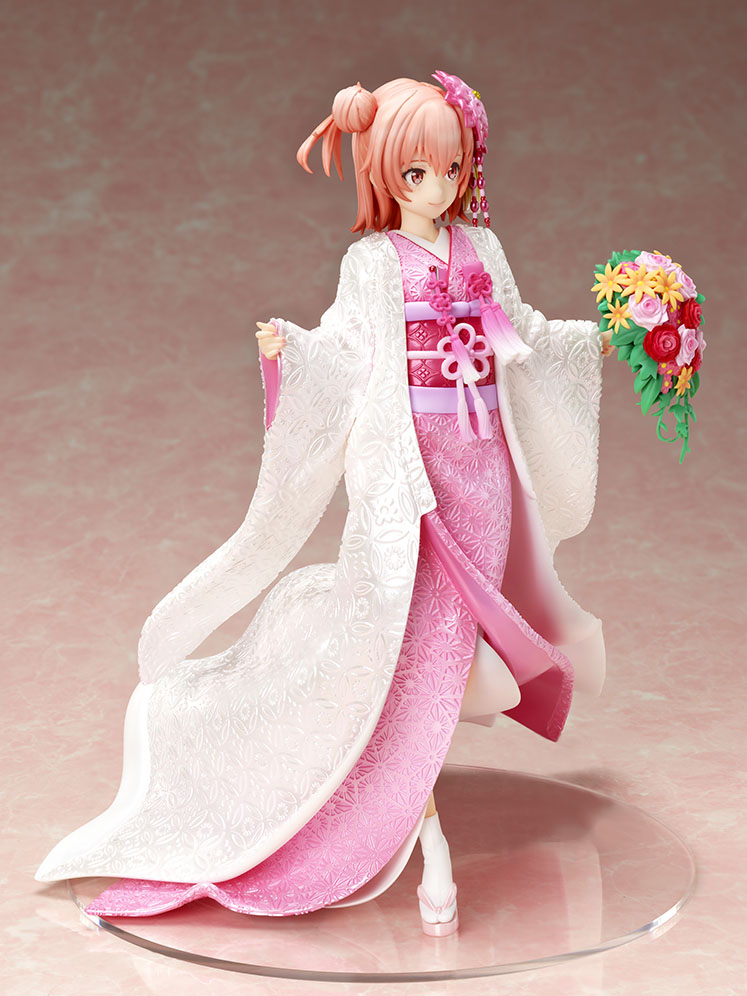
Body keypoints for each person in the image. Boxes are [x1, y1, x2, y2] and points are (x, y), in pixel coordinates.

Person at [36, 72, 612, 937]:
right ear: (385, 175)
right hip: (414, 479)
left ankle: (417, 815)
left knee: (445, 656)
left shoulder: (480, 248)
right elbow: (347, 355)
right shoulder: (373, 264)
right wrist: (293, 354)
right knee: (410, 656)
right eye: (415, 172)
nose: (436, 187)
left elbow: (519, 331)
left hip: (482, 471)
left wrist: (597, 337)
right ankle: (422, 839)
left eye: (450, 168)